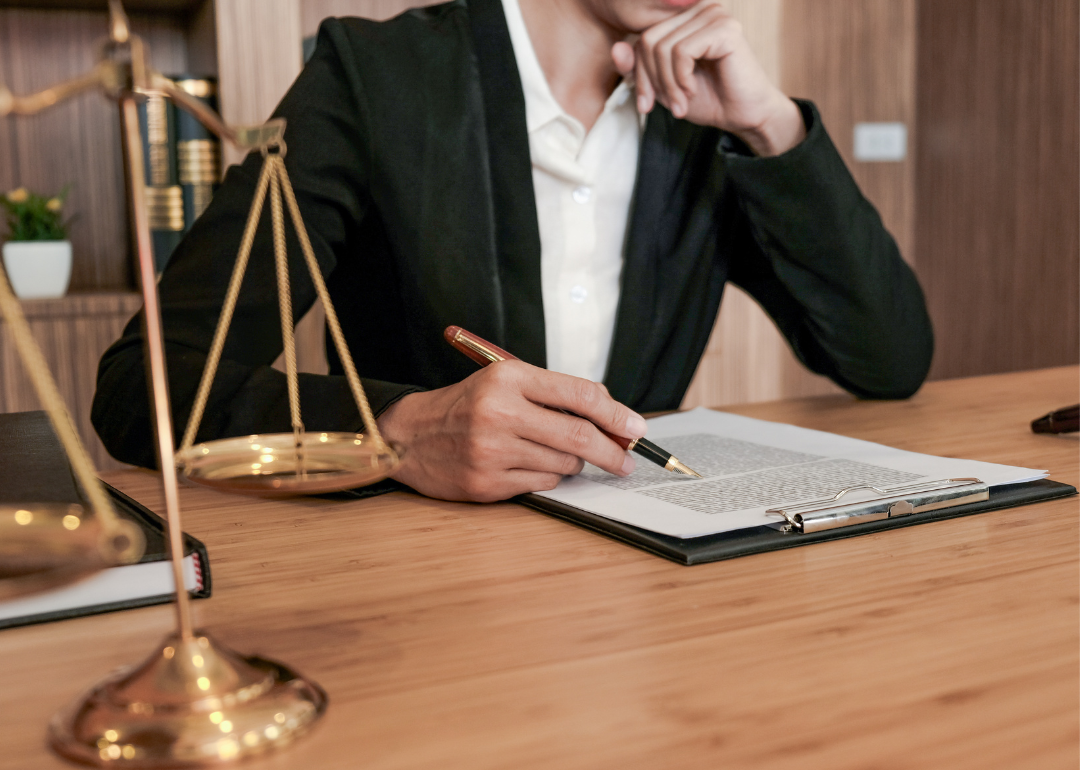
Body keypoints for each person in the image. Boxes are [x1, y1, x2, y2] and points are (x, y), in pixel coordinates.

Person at [92, 0, 933, 503]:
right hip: (425, 586)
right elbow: (143, 391)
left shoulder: (707, 115)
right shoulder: (375, 74)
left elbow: (888, 359)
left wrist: (771, 126)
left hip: (656, 585)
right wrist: (397, 432)